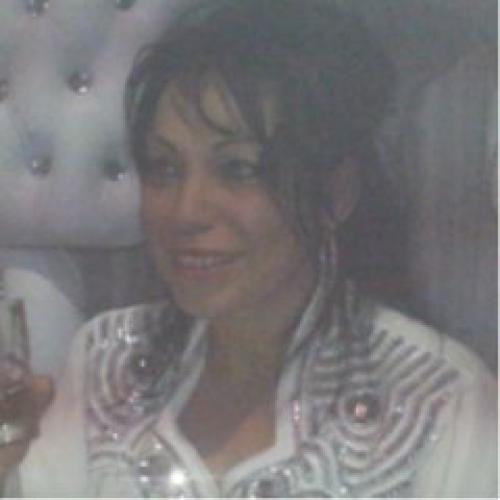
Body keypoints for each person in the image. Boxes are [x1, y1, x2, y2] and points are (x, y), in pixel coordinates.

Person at [1, 0, 497, 497]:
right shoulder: (106, 361)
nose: (187, 211)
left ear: (335, 193)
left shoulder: (439, 401)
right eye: (165, 168)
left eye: (238, 169)